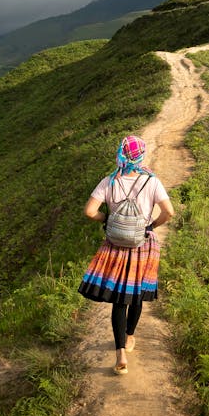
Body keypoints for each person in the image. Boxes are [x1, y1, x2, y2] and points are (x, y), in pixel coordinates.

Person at [78, 134, 175, 375]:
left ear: (120, 153)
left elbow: (89, 211)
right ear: (140, 155)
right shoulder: (151, 182)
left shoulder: (109, 181)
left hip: (115, 245)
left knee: (119, 300)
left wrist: (107, 219)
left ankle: (120, 352)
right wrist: (151, 225)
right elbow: (169, 212)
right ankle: (130, 337)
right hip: (142, 245)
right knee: (136, 296)